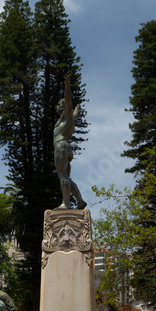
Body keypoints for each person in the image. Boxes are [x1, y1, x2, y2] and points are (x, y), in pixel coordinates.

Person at [53, 71, 87, 210]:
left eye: (59, 104)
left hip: (61, 145)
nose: (57, 107)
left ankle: (66, 204)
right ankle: (80, 201)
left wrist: (67, 84)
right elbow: (75, 112)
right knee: (65, 176)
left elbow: (68, 100)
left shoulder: (67, 115)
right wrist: (76, 110)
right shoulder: (69, 118)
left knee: (62, 175)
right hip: (66, 147)